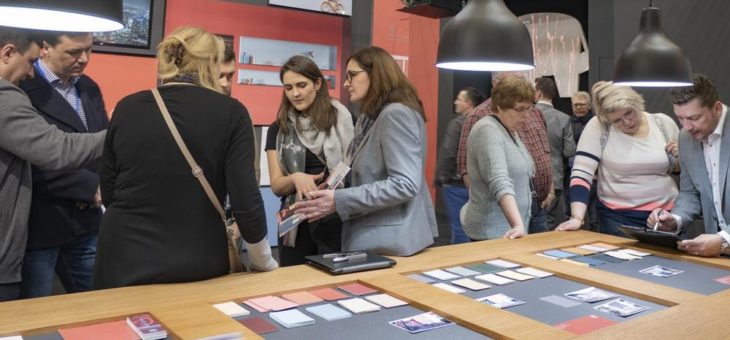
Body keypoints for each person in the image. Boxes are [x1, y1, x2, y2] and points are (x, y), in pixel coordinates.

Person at [93, 27, 277, 289]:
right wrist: (263, 260)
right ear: (210, 63)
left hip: (122, 255)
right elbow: (245, 200)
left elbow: (109, 191)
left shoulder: (127, 107)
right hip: (196, 257)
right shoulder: (232, 113)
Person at [292, 46, 437, 256]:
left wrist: (339, 200)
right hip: (379, 237)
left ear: (376, 74)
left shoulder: (394, 114)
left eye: (352, 75)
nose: (345, 83)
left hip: (388, 242)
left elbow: (405, 184)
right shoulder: (372, 117)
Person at [0, 27, 105, 302]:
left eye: (88, 50)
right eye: (74, 51)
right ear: (46, 48)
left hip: (86, 222)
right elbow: (52, 151)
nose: (84, 58)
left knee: (96, 303)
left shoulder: (90, 88)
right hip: (39, 224)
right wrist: (91, 186)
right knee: (35, 315)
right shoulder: (15, 92)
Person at [557, 81, 679, 236]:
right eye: (617, 120)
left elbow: (678, 169)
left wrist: (680, 156)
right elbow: (582, 173)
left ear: (637, 104)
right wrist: (577, 217)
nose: (627, 122)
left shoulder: (663, 123)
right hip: (618, 217)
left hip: (665, 215)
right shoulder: (599, 127)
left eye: (629, 113)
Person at [266, 55, 354, 265]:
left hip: (337, 220)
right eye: (288, 88)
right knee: (294, 291)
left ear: (317, 83)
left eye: (301, 85)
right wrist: (295, 178)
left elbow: (356, 170)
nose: (295, 93)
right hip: (296, 225)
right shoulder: (278, 129)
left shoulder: (343, 120)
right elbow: (277, 185)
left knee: (337, 288)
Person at [456, 72, 553, 234]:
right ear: (500, 106)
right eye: (519, 109)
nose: (526, 115)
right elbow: (499, 181)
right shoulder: (488, 130)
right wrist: (517, 224)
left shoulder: (509, 129)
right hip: (493, 231)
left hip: (511, 229)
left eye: (528, 108)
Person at [647, 74, 730, 257]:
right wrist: (675, 219)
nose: (687, 127)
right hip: (718, 257)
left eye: (694, 117)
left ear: (716, 108)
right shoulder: (685, 137)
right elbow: (690, 192)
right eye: (680, 118)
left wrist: (724, 240)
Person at [435, 87, 485, 244]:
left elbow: (449, 152)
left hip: (456, 185)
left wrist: (441, 177)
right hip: (479, 185)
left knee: (459, 227)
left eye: (460, 99)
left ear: (469, 103)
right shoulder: (485, 122)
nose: (455, 101)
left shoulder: (457, 124)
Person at [535, 77, 575, 230]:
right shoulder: (564, 118)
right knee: (551, 223)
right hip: (555, 177)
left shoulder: (527, 115)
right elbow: (570, 151)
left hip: (532, 179)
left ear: (538, 93)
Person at [569, 91, 600, 231]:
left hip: (597, 179)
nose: (578, 108)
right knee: (572, 217)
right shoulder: (568, 122)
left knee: (595, 218)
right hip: (573, 176)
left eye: (581, 105)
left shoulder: (597, 124)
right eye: (575, 105)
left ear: (589, 106)